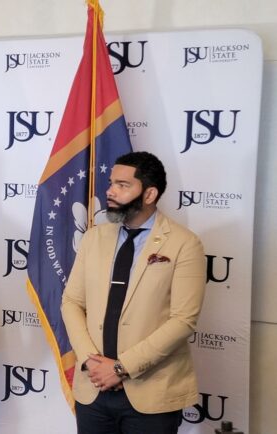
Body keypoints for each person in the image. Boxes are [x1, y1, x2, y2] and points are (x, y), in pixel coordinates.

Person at [61, 151, 206, 434]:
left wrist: (121, 367)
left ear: (149, 194)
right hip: (94, 389)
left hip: (151, 394)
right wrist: (93, 362)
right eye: (111, 182)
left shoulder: (184, 244)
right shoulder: (94, 237)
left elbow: (183, 320)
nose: (110, 191)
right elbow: (71, 302)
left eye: (123, 185)